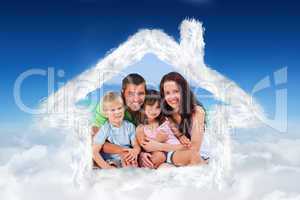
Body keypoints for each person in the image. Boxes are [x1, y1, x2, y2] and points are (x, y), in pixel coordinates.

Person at [139, 72, 209, 168]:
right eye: (167, 93)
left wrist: (159, 146)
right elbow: (144, 132)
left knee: (194, 155)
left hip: (196, 153)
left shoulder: (197, 111)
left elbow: (195, 148)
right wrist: (141, 154)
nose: (172, 97)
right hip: (174, 153)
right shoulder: (163, 113)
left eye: (176, 91)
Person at [91, 73, 146, 165]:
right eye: (131, 94)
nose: (136, 99)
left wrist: (139, 152)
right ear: (123, 92)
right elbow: (95, 133)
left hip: (132, 144)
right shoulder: (111, 104)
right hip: (113, 146)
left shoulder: (149, 107)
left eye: (141, 93)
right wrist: (123, 151)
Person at [136, 89, 197, 169]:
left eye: (158, 107)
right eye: (151, 106)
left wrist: (182, 138)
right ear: (143, 107)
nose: (154, 111)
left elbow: (179, 134)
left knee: (188, 149)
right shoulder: (141, 128)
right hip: (159, 153)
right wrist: (158, 140)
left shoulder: (166, 120)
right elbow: (145, 146)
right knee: (159, 156)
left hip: (176, 149)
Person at [93, 92, 141, 168]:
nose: (117, 112)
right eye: (112, 110)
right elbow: (94, 152)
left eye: (119, 108)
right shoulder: (106, 128)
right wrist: (107, 167)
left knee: (132, 165)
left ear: (124, 109)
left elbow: (136, 145)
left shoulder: (130, 126)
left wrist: (135, 151)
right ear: (105, 113)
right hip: (111, 159)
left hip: (128, 156)